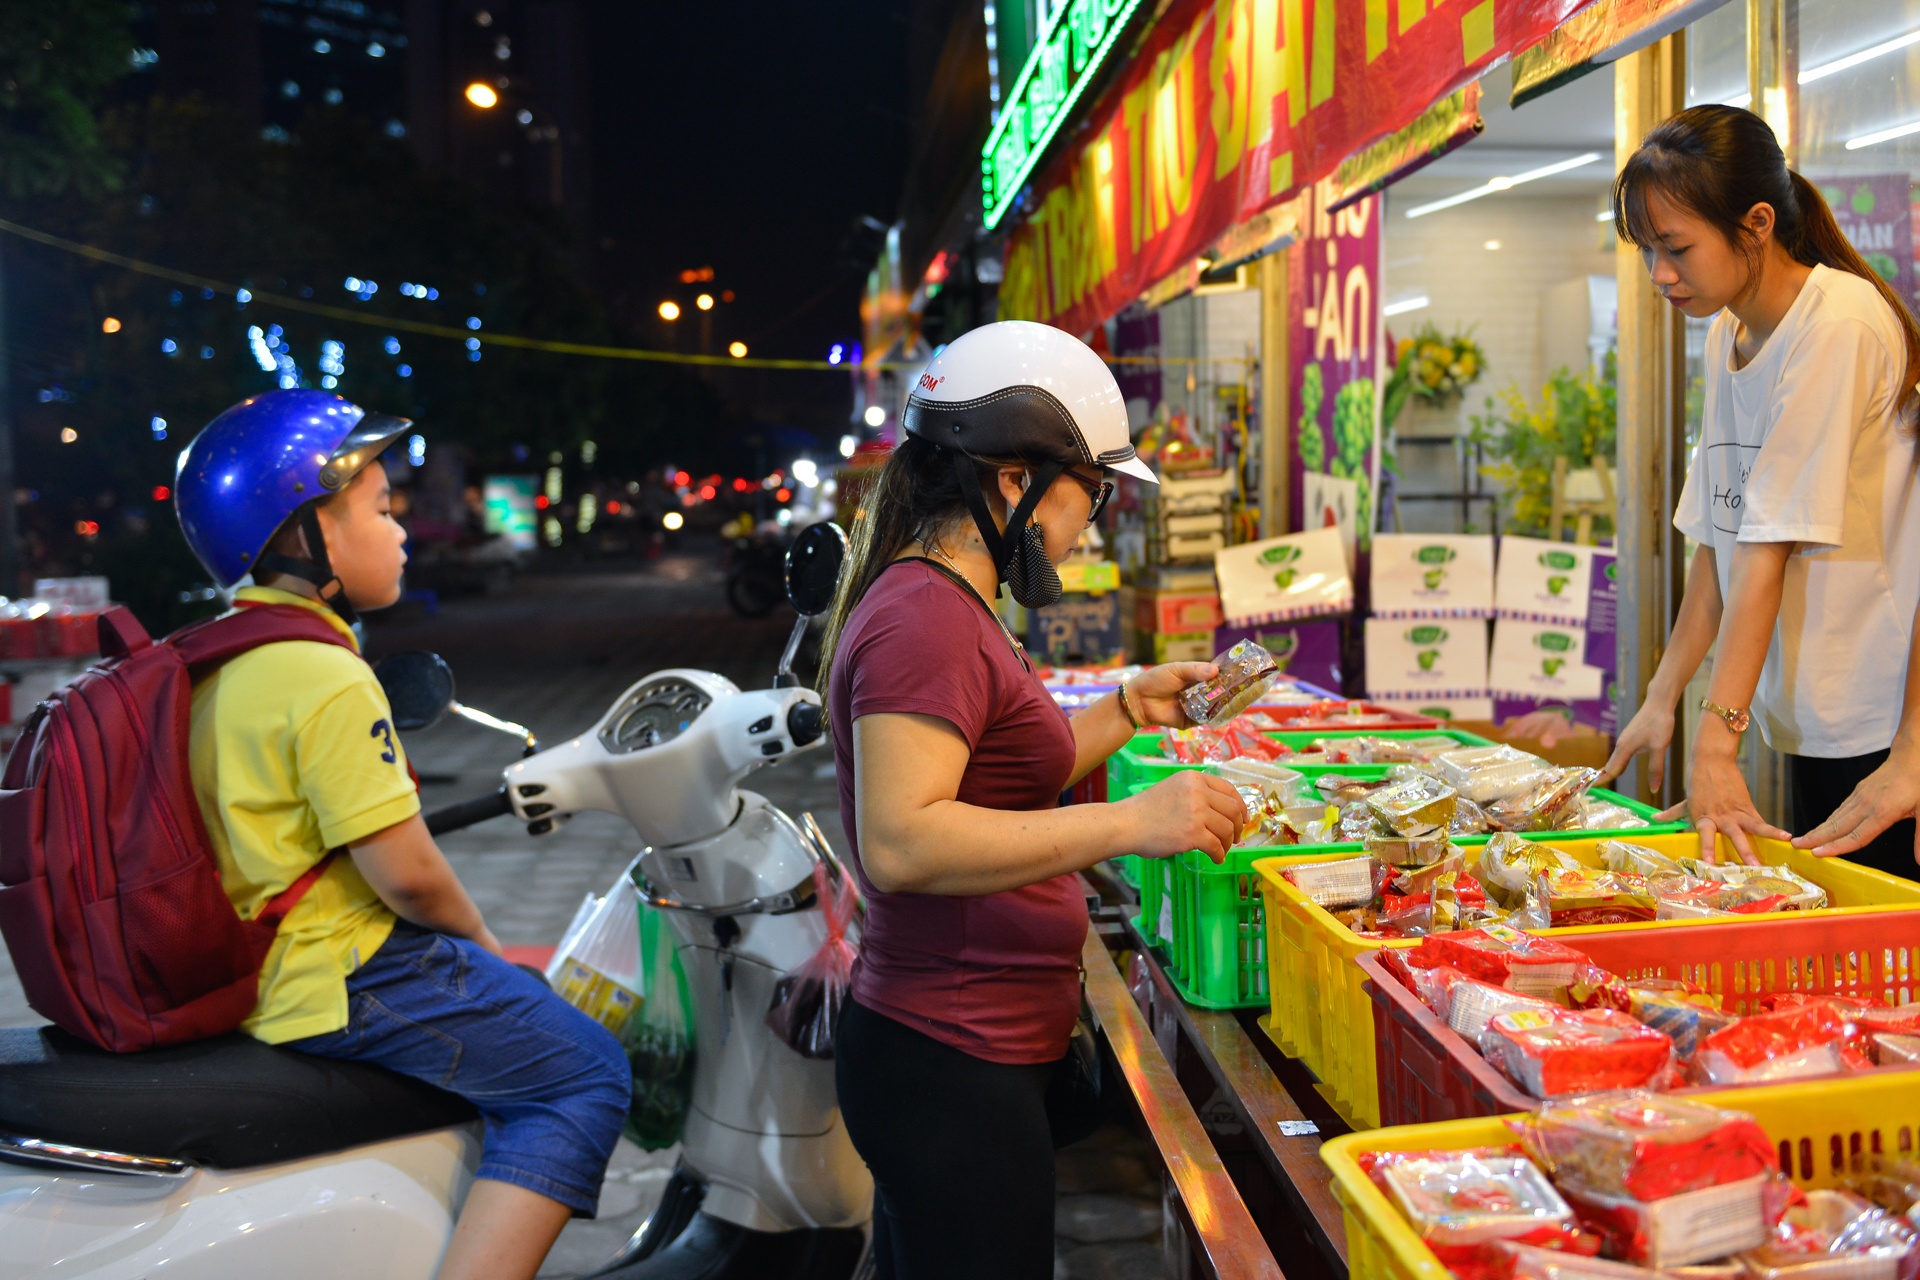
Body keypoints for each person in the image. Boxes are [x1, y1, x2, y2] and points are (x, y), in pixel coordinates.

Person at [822, 321, 1247, 1280]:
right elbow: (903, 839)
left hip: (976, 1049)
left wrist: (1131, 706)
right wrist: (1136, 821)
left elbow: (1001, 777)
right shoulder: (923, 619)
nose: (1090, 521)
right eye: (1088, 493)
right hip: (946, 1057)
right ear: (1013, 479)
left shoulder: (954, 602)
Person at [174, 390, 631, 1280]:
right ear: (308, 534)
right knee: (585, 1074)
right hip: (343, 970)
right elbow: (410, 876)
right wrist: (487, 949)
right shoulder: (323, 674)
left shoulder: (218, 662)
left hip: (257, 971)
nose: (402, 531)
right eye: (381, 511)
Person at [1598, 104, 1920, 874]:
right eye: (1646, 251)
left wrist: (1717, 739)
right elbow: (1721, 539)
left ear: (1758, 223)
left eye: (1676, 248)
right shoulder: (1729, 331)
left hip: (1880, 718)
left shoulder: (1836, 325)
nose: (1659, 275)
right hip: (1811, 713)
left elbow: (1768, 548)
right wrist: (1661, 696)